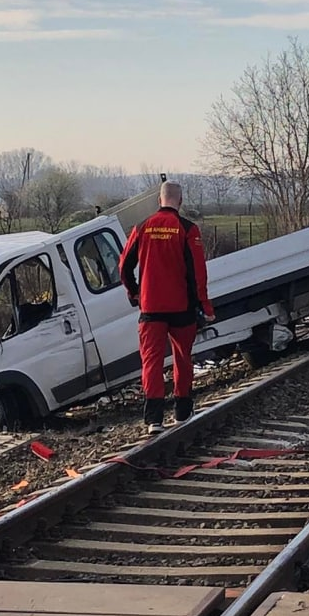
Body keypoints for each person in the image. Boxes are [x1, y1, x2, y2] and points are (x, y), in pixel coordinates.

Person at [119, 181, 216, 434]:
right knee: (183, 358)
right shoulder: (187, 229)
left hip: (150, 307)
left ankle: (154, 420)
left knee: (151, 361)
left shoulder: (141, 227)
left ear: (158, 201)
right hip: (181, 307)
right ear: (180, 201)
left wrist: (135, 292)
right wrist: (205, 306)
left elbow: (124, 266)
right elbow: (198, 273)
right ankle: (182, 412)